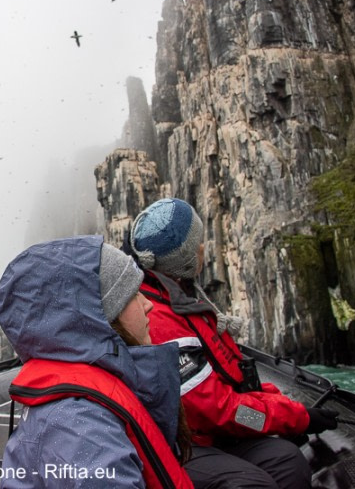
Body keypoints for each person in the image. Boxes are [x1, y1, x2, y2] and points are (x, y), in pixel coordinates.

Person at [127, 198, 339, 489]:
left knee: (287, 461)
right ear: (185, 257)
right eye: (198, 242)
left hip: (207, 435)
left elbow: (235, 380)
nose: (204, 247)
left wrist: (284, 407)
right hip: (180, 444)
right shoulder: (162, 319)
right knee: (252, 482)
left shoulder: (182, 299)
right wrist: (295, 418)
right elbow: (222, 410)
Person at [0, 235, 194, 488]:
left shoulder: (82, 406)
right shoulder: (81, 426)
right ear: (98, 318)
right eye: (132, 294)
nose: (148, 305)